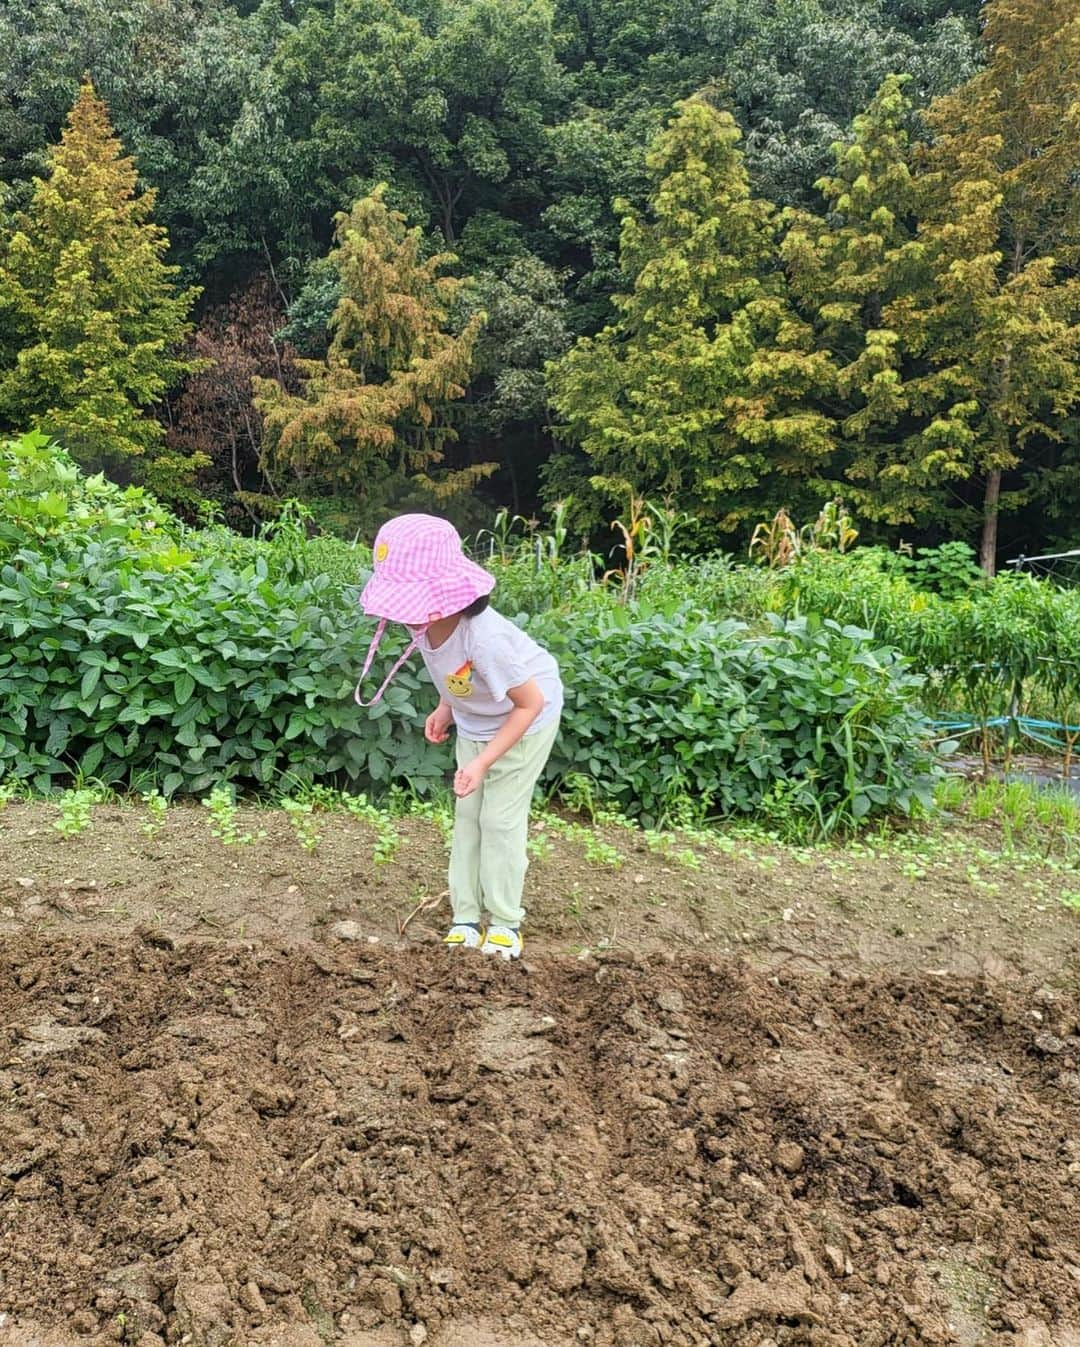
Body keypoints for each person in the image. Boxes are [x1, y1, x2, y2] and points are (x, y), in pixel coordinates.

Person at [355, 513, 562, 960]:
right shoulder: (425, 624)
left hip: (525, 721)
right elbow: (457, 674)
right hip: (477, 719)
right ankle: (465, 918)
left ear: (445, 594)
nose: (401, 613)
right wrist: (447, 707)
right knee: (468, 819)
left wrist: (483, 760)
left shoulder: (486, 639)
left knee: (499, 821)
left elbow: (530, 703)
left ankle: (505, 922)